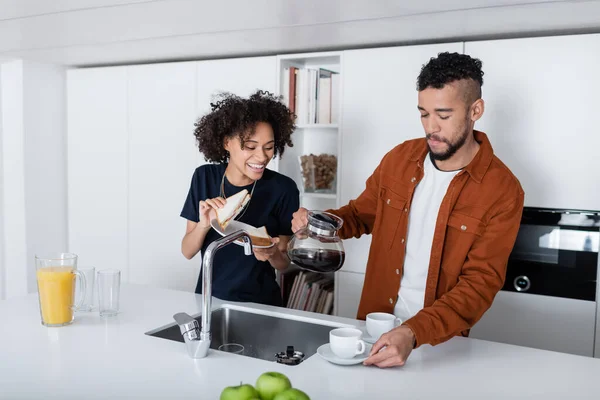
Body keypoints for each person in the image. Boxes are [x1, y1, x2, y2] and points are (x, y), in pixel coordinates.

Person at [292, 52, 524, 368]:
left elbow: (479, 285)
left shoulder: (503, 190)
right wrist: (320, 221)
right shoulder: (399, 159)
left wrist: (413, 332)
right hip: (372, 331)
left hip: (439, 345)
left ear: (475, 110)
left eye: (443, 115)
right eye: (424, 114)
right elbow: (361, 214)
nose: (431, 127)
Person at [181, 90, 299, 306]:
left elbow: (284, 263)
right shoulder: (204, 177)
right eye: (251, 147)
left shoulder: (284, 188)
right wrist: (204, 224)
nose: (262, 157)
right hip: (208, 300)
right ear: (227, 142)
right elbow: (187, 251)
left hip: (261, 305)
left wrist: (272, 254)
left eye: (269, 147)